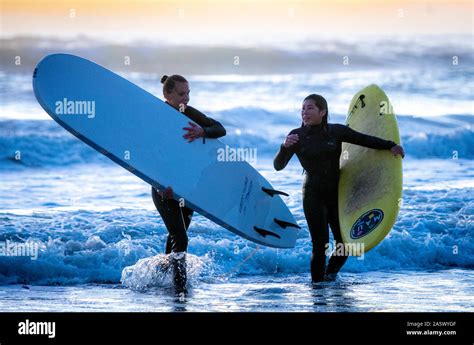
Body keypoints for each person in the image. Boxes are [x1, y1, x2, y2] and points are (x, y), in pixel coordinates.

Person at [273, 94, 404, 283]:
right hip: (313, 195)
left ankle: (330, 275)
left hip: (337, 195)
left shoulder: (336, 132)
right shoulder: (296, 136)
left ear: (322, 111)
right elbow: (278, 166)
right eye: (303, 108)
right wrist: (284, 147)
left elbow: (364, 140)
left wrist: (390, 146)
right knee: (320, 245)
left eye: (310, 108)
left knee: (345, 244)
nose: (304, 112)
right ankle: (317, 288)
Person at [151, 74, 226, 292]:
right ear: (167, 94)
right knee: (180, 237)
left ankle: (163, 281)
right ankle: (179, 287)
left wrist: (204, 131)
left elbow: (220, 129)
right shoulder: (156, 116)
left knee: (176, 235)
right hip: (164, 189)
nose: (187, 98)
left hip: (187, 188)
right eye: (182, 94)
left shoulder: (188, 113)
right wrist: (160, 184)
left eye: (188, 93)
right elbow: (148, 155)